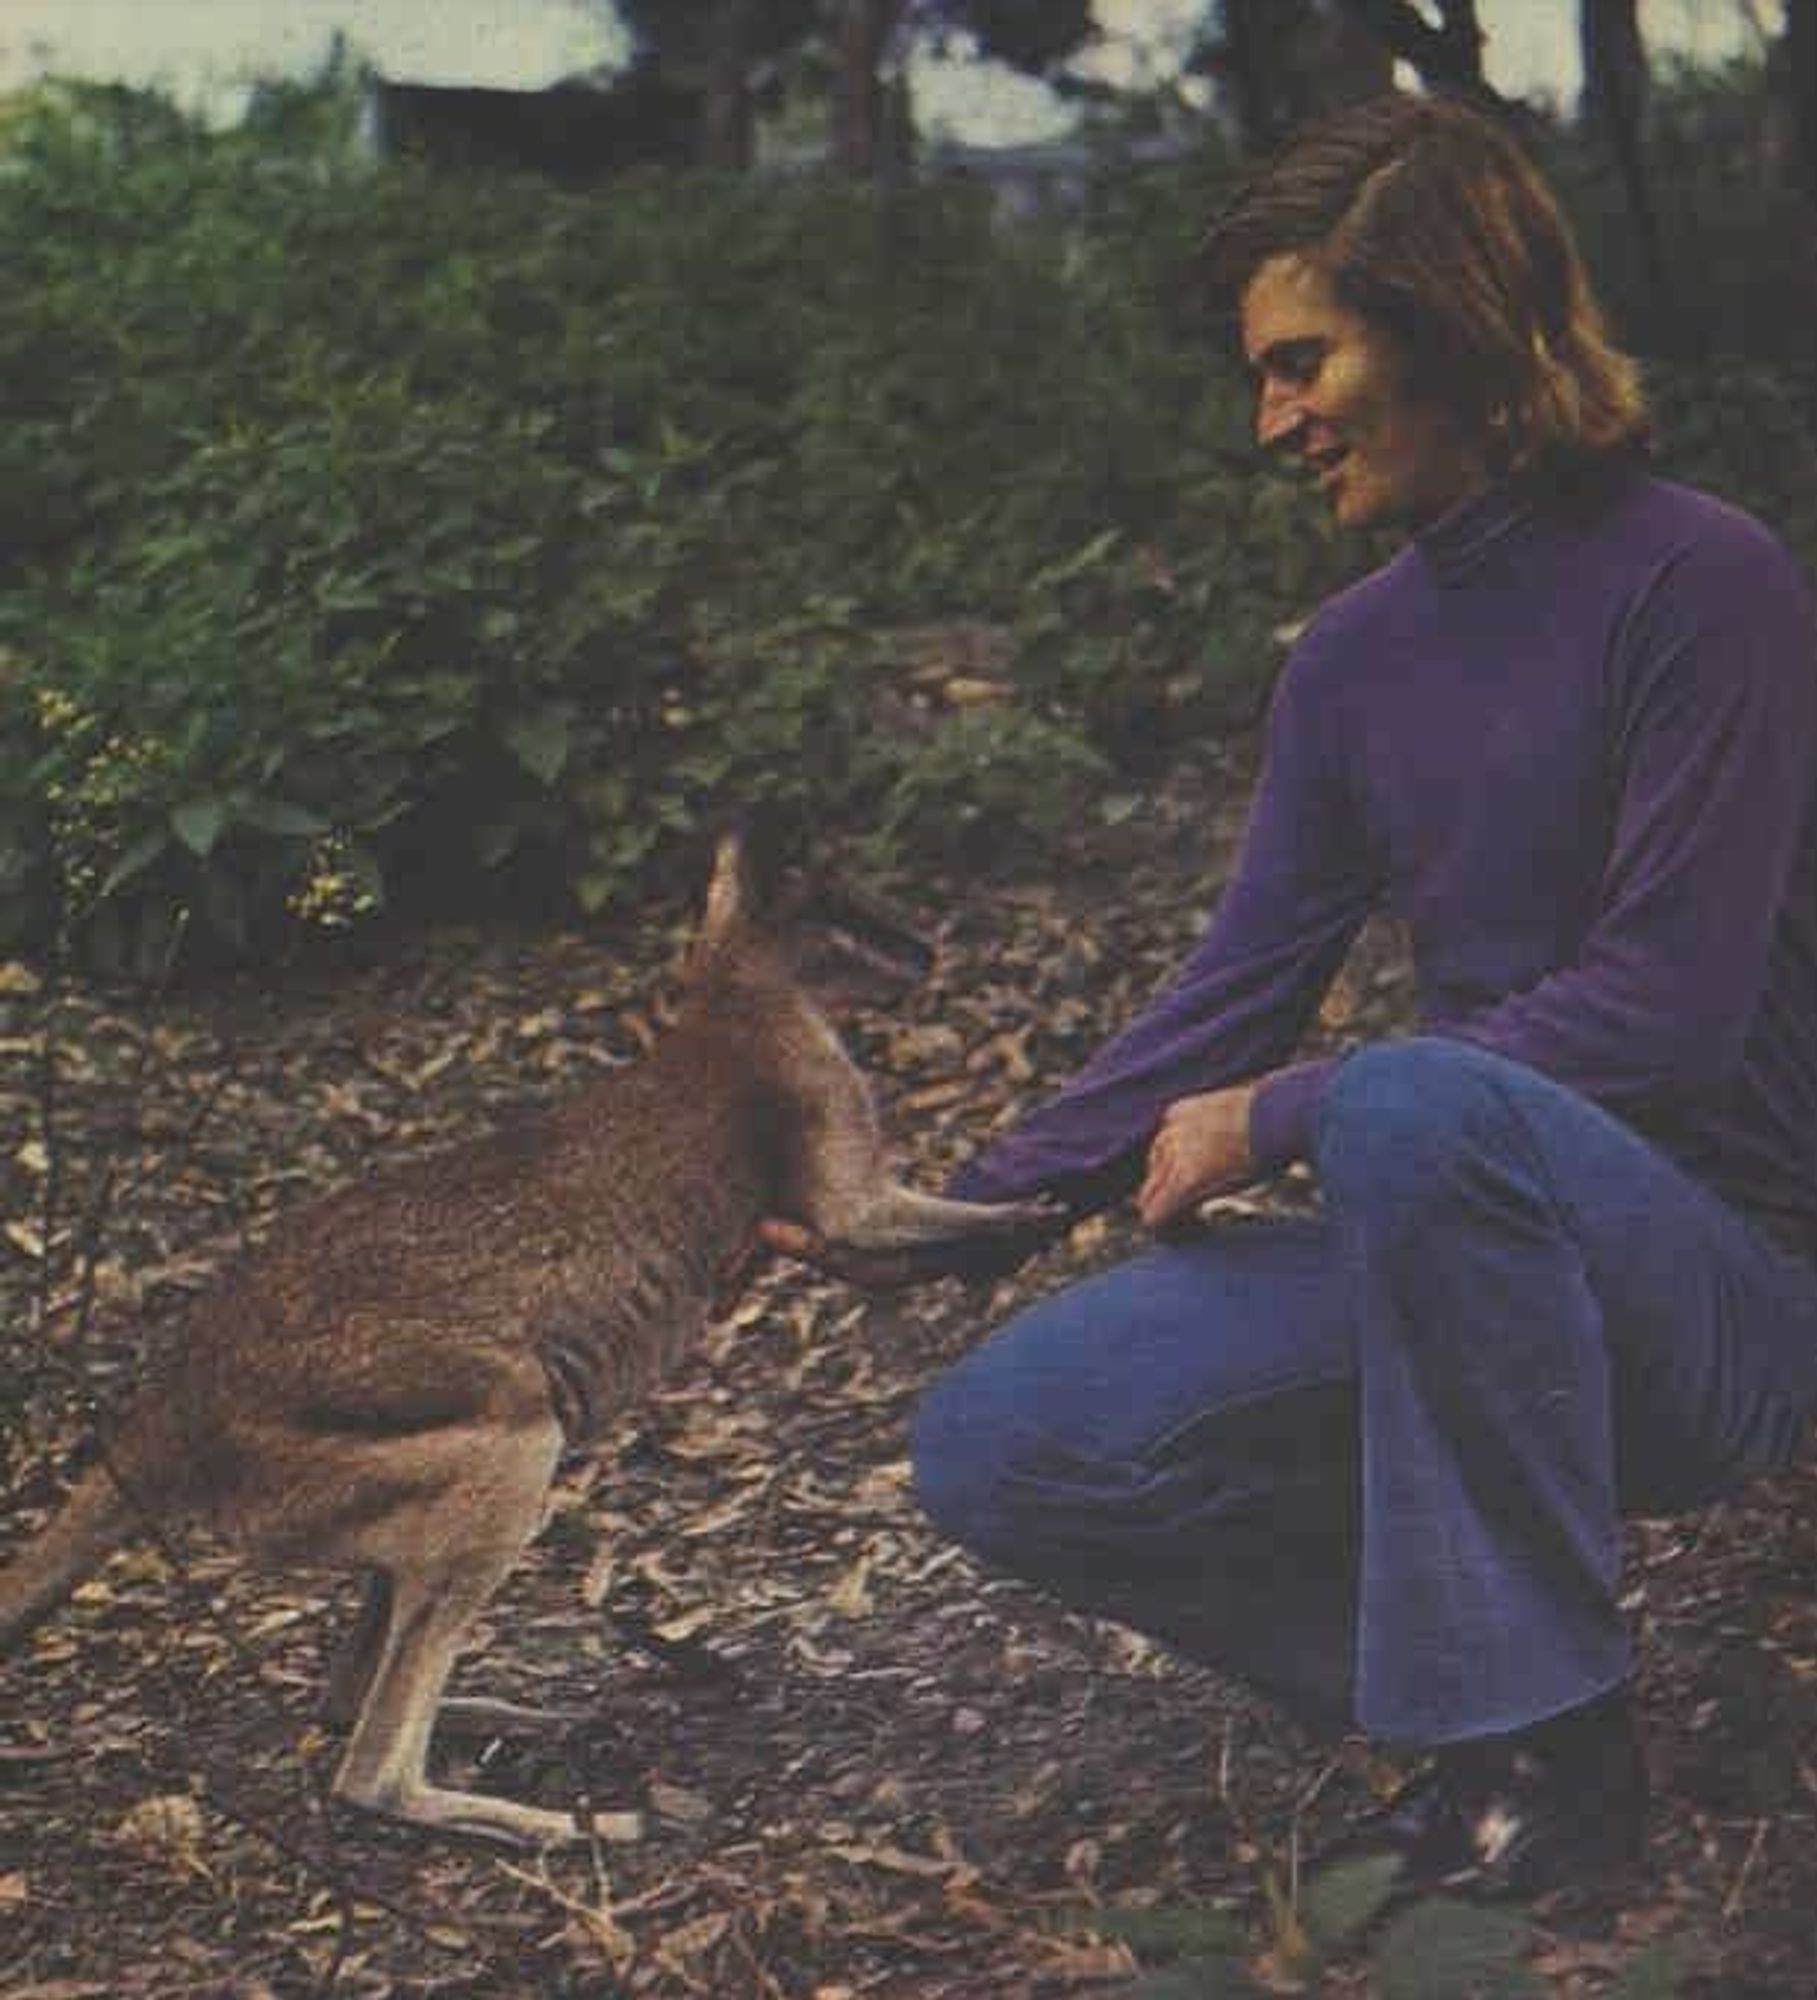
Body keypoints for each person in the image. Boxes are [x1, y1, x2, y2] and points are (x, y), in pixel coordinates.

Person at [765, 91, 1817, 1899]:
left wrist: (1293, 1113)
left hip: (1715, 1285)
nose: (1268, 420)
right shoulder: (1349, 666)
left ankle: (1543, 1776)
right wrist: (946, 1216)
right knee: (1001, 1443)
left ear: (1451, 320)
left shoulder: (1705, 584)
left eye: (1300, 361)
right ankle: (1517, 1724)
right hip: (1454, 1234)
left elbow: (1662, 1012)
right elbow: (1225, 996)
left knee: (1405, 1101)